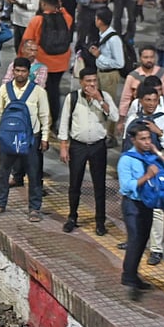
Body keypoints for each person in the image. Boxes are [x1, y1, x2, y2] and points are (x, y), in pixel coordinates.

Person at [119, 122, 164, 296]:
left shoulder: (151, 156)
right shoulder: (127, 159)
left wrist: (157, 152)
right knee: (135, 239)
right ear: (133, 140)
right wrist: (147, 176)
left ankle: (132, 274)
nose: (147, 142)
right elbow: (127, 186)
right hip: (133, 205)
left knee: (142, 240)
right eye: (143, 139)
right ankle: (128, 276)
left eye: (148, 138)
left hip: (148, 205)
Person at [0, 58, 50, 221]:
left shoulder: (39, 91)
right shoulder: (4, 89)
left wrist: (45, 137)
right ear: (13, 71)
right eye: (17, 70)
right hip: (8, 138)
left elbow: (44, 116)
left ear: (29, 73)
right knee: (3, 172)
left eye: (23, 71)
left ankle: (34, 208)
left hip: (31, 139)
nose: (20, 74)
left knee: (34, 174)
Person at [59, 68, 117, 236]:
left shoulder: (105, 96)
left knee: (99, 185)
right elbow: (64, 122)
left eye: (94, 81)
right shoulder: (73, 98)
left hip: (98, 146)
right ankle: (72, 217)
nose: (91, 84)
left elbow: (113, 116)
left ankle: (100, 221)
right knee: (74, 183)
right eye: (88, 81)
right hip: (78, 146)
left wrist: (100, 100)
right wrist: (63, 146)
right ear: (81, 82)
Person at [22, 0, 74, 129]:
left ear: (43, 4)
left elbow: (27, 40)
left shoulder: (37, 20)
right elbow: (65, 12)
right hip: (62, 61)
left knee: (41, 91)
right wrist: (60, 7)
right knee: (54, 90)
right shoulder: (66, 18)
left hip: (43, 61)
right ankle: (54, 119)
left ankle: (41, 119)